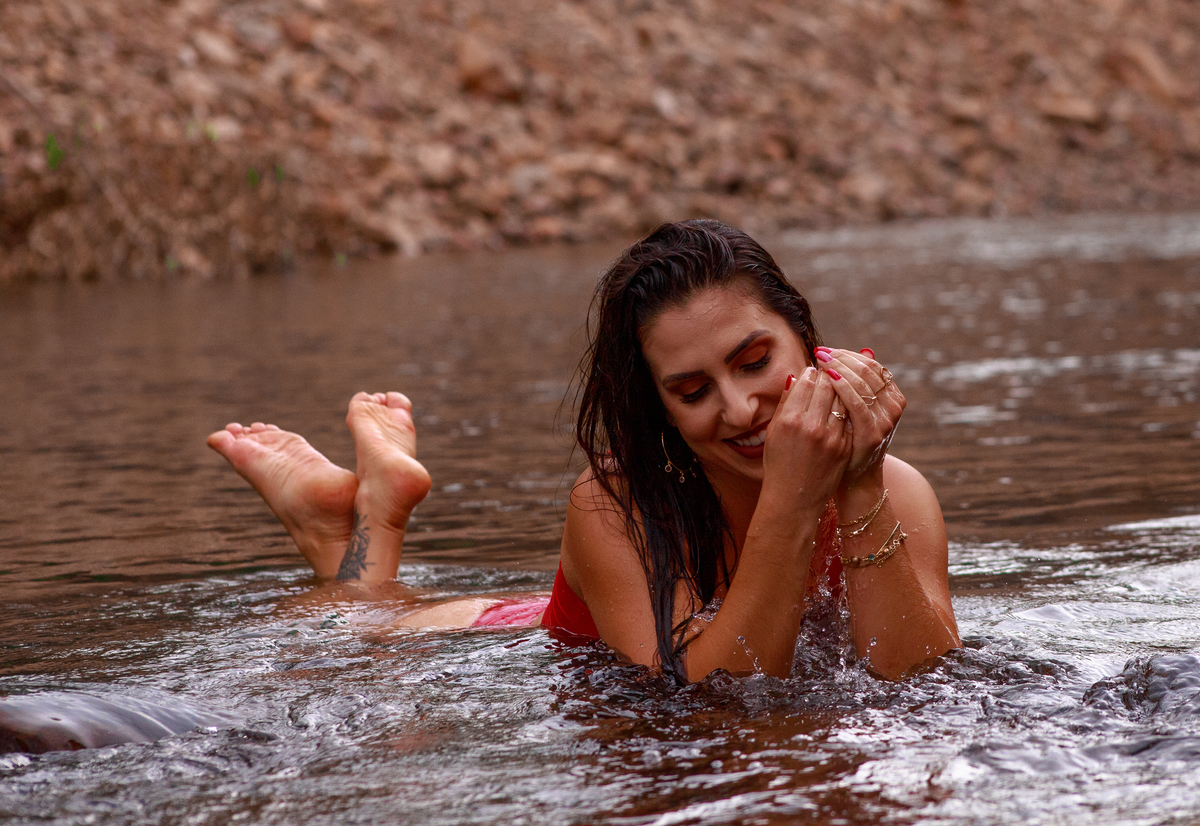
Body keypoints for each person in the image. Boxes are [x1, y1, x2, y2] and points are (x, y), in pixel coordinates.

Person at [207, 219, 960, 684]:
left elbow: (919, 678)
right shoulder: (613, 509)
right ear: (662, 411)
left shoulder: (900, 491)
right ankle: (367, 525)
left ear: (808, 337)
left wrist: (858, 484)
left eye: (757, 359)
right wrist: (794, 499)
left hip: (635, 612)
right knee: (347, 630)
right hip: (519, 633)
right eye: (693, 391)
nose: (740, 408)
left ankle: (360, 517)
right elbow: (722, 697)